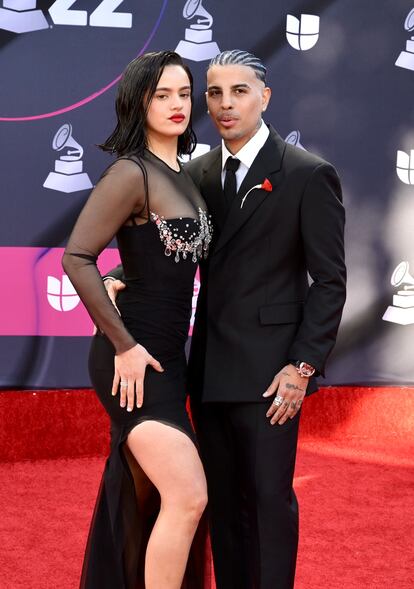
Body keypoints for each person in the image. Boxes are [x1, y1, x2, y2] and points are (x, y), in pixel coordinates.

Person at [104, 50, 346, 589]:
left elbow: (330, 282)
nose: (224, 104)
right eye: (213, 93)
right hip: (207, 370)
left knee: (266, 502)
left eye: (239, 90)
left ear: (266, 96)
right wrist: (119, 273)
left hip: (271, 375)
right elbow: (174, 240)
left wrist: (301, 367)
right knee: (221, 508)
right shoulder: (198, 172)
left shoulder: (308, 175)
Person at [62, 51, 213, 589]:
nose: (176, 105)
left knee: (147, 500)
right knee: (188, 495)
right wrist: (122, 343)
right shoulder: (131, 172)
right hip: (133, 360)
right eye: (161, 95)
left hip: (171, 360)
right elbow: (76, 257)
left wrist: (120, 271)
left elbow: (154, 251)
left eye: (183, 93)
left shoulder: (184, 173)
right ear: (138, 103)